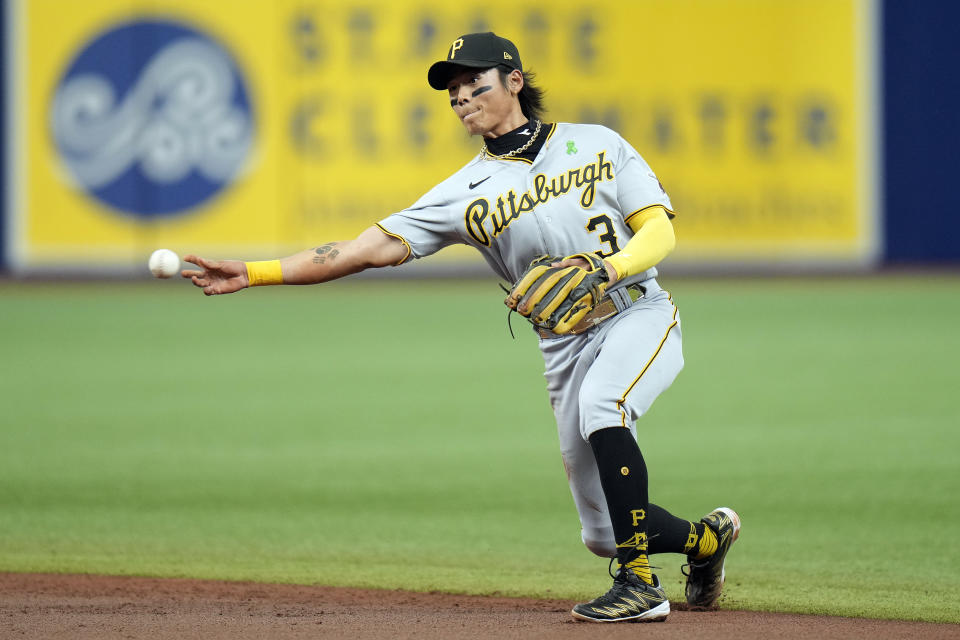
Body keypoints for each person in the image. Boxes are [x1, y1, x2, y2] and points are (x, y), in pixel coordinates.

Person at [182, 32, 740, 623]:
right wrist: (253, 271)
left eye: (473, 83)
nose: (460, 98)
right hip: (563, 345)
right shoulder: (460, 192)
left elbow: (658, 232)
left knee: (605, 407)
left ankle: (639, 587)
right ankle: (705, 543)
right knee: (603, 530)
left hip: (637, 312)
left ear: (514, 82)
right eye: (452, 91)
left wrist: (608, 266)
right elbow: (360, 250)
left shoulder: (595, 144)